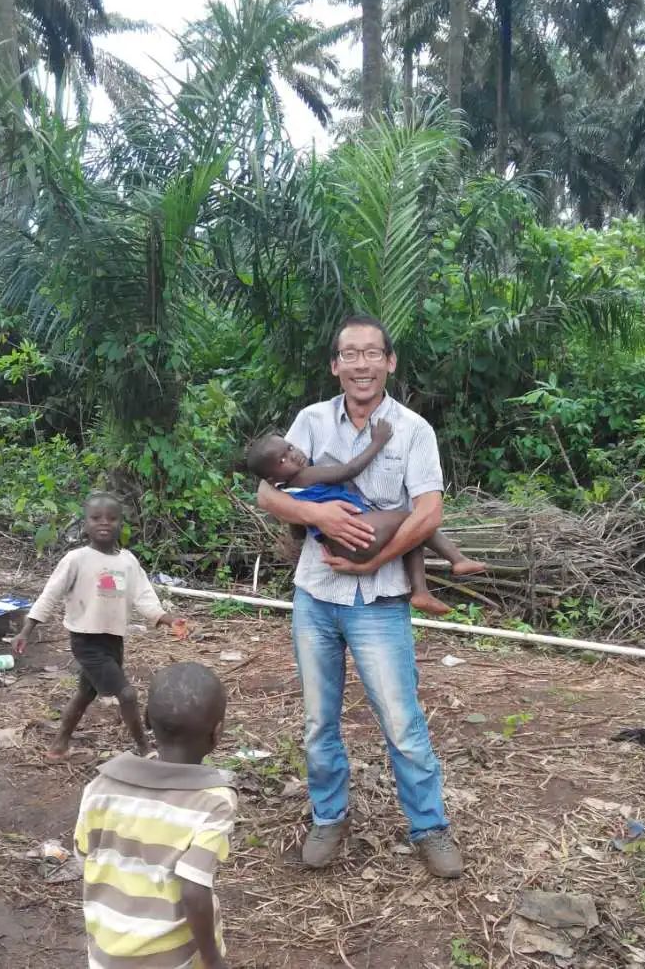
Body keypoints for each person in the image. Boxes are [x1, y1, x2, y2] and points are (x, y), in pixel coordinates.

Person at [256, 314, 464, 879]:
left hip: (380, 599)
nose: (362, 364)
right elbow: (267, 492)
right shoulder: (311, 420)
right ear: (336, 365)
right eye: (351, 354)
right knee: (319, 720)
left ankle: (429, 826)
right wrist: (315, 512)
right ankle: (329, 816)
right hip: (315, 595)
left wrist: (374, 559)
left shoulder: (414, 429)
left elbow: (429, 512)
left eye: (373, 353)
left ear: (390, 363)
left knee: (401, 719)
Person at [75, 662, 236, 969]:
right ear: (217, 734)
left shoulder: (100, 786)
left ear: (147, 720)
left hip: (108, 954)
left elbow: (84, 856)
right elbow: (194, 889)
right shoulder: (214, 801)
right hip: (174, 958)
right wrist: (213, 959)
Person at [246, 421, 485, 617]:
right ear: (270, 477)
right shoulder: (308, 474)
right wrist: (377, 442)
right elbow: (348, 471)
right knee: (415, 523)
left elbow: (298, 532)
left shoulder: (289, 493)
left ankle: (421, 593)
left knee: (411, 538)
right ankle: (457, 559)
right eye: (282, 460)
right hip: (361, 531)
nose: (293, 455)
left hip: (340, 547)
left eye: (289, 448)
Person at [12, 492, 187, 760]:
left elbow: (144, 596)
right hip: (86, 640)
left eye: (112, 518)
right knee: (126, 694)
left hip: (113, 640)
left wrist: (166, 619)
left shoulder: (128, 561)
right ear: (85, 524)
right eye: (96, 518)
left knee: (85, 693)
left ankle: (59, 745)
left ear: (121, 524)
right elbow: (50, 594)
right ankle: (145, 749)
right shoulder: (76, 559)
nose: (104, 523)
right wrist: (27, 629)